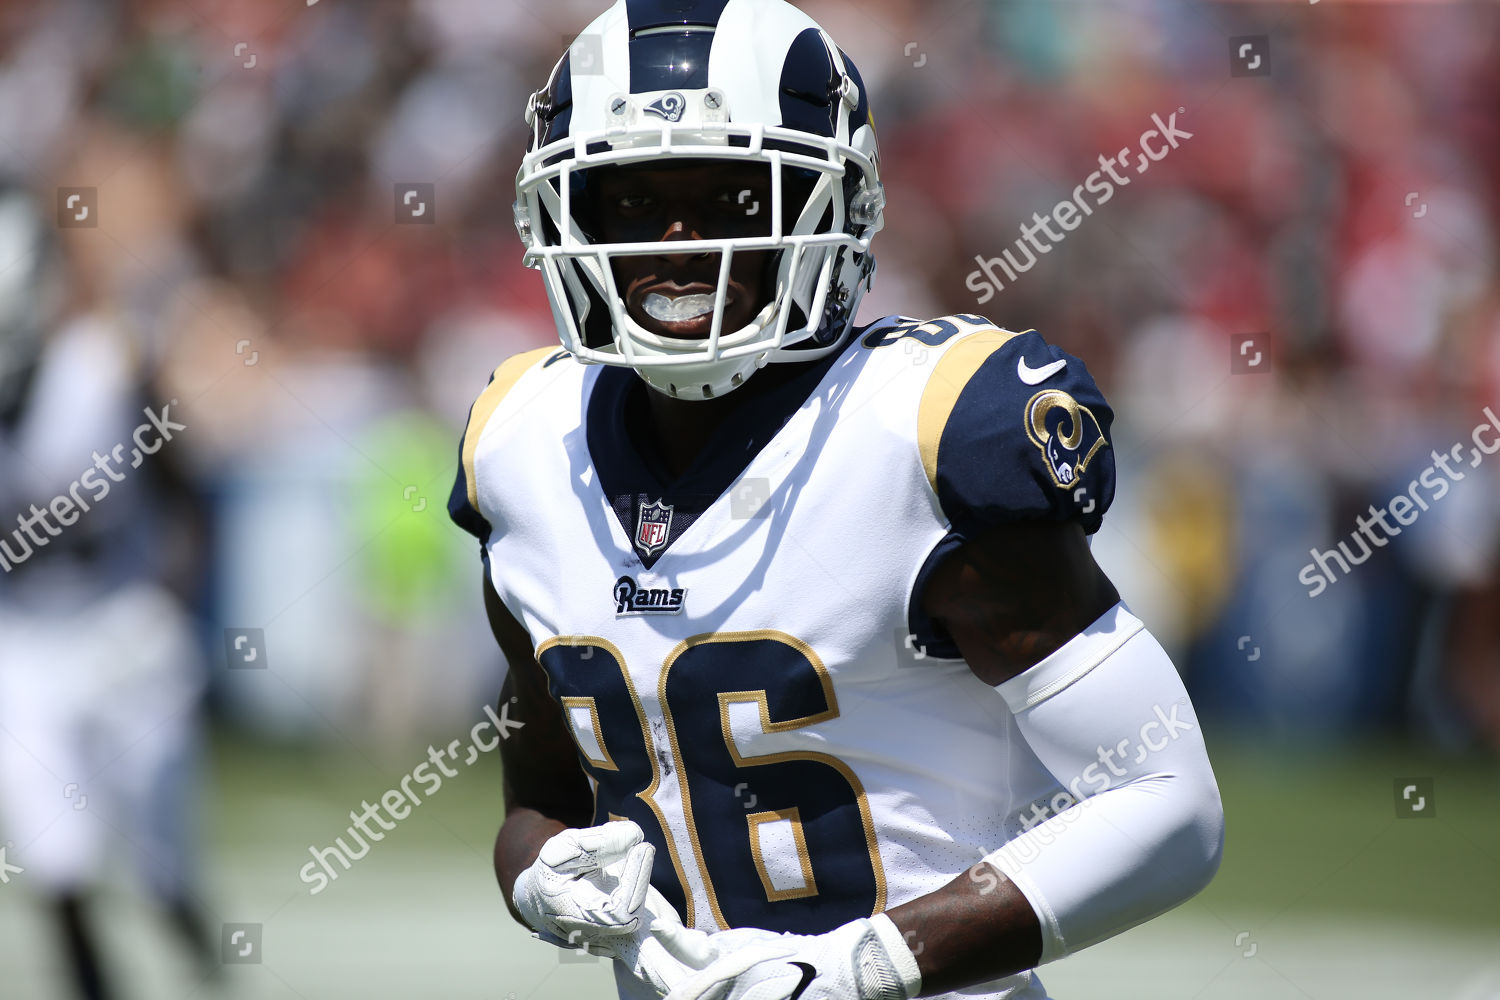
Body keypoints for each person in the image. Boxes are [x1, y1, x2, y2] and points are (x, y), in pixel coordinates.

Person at [449, 3, 1224, 998]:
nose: (683, 245)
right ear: (563, 214)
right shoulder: (520, 441)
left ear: (833, 205)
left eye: (735, 195)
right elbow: (541, 805)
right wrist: (542, 878)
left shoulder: (930, 426)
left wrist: (861, 968)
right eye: (634, 204)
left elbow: (1166, 802)